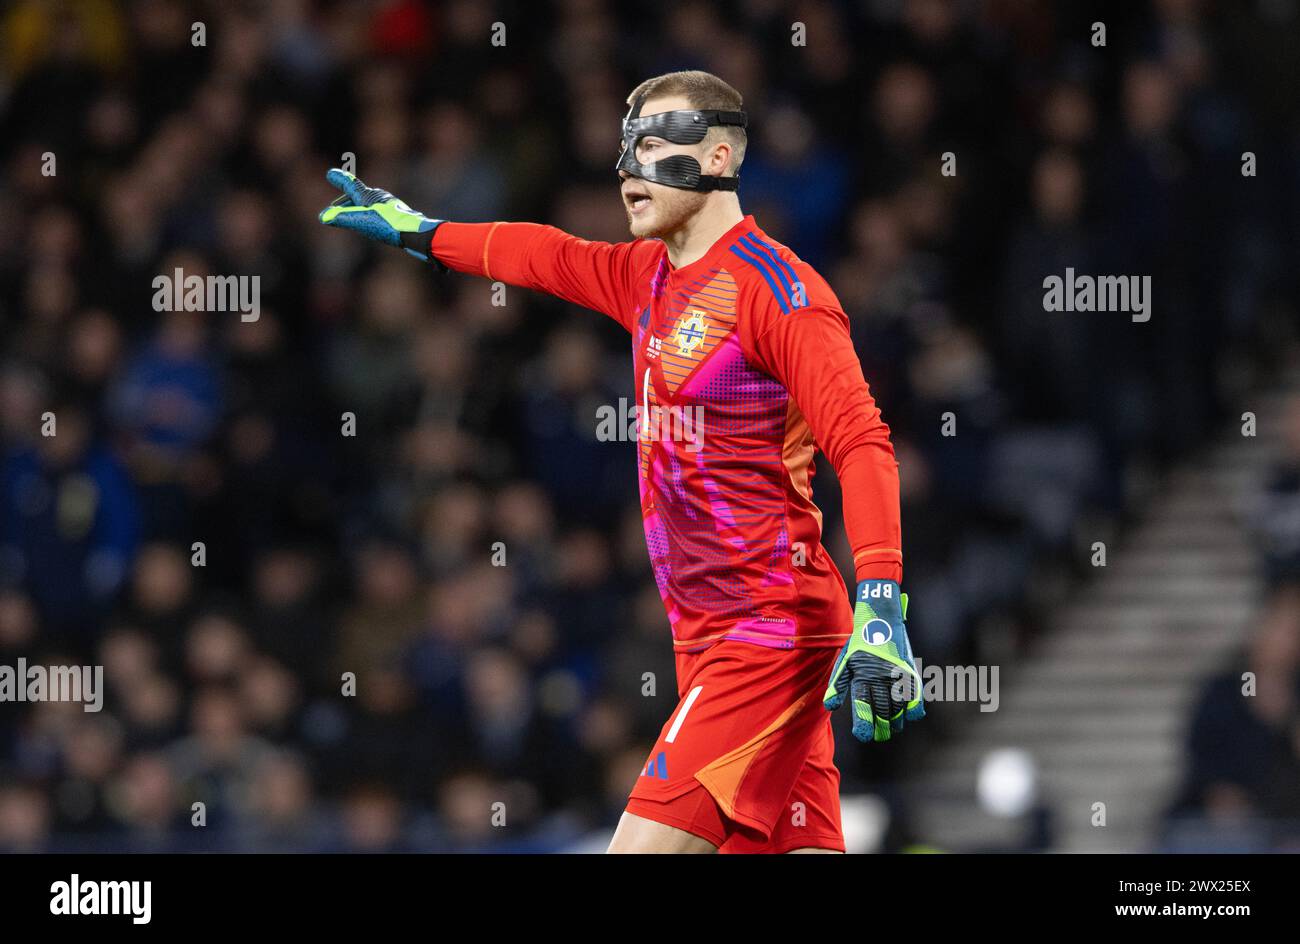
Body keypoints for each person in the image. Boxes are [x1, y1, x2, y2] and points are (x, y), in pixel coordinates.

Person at [318, 70, 924, 854]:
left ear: (714, 156)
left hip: (767, 630)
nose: (629, 167)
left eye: (654, 142)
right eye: (625, 147)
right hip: (707, 636)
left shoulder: (779, 293)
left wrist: (881, 595)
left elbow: (863, 440)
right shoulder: (646, 278)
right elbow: (542, 254)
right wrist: (421, 232)